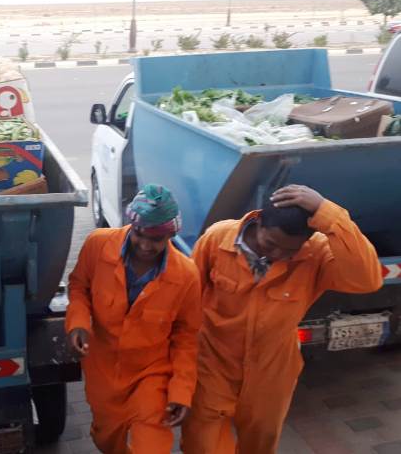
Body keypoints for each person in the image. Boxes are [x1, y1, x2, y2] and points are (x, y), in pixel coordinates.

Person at [182, 184, 383, 454]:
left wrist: (330, 214)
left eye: (289, 251)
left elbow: (368, 280)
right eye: (271, 244)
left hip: (272, 372)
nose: (277, 255)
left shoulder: (315, 253)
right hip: (213, 365)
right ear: (258, 221)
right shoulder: (218, 238)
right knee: (202, 445)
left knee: (260, 444)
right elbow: (188, 299)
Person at [66, 184, 201, 453]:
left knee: (151, 445)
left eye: (157, 239)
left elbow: (187, 339)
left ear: (171, 235)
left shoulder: (186, 276)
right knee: (106, 439)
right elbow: (79, 286)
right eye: (140, 234)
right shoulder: (98, 244)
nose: (145, 245)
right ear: (131, 224)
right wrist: (78, 322)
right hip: (103, 371)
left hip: (151, 374)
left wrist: (181, 391)